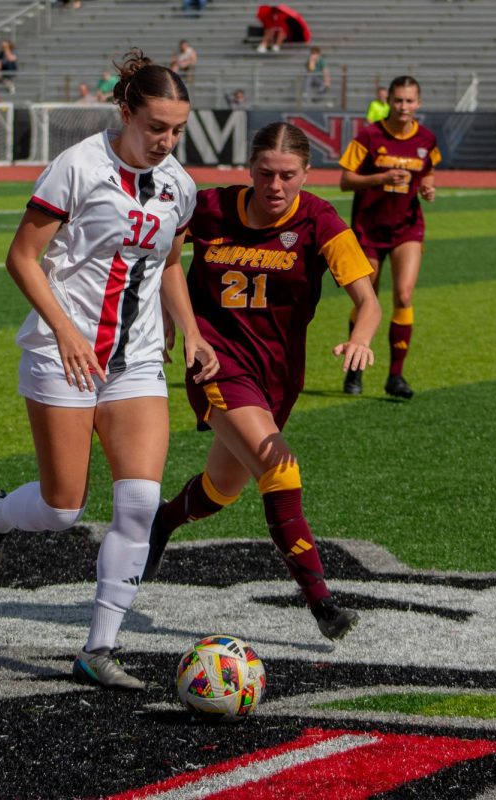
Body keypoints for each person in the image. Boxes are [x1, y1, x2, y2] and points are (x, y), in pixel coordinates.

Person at [0, 50, 217, 691]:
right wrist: (66, 331)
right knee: (63, 509)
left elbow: (165, 263)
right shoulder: (77, 166)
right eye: (155, 126)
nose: (165, 141)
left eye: (176, 130)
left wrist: (189, 331)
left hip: (135, 360)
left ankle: (99, 648)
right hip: (63, 354)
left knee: (137, 503)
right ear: (126, 111)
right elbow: (22, 258)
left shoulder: (178, 186)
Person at [141, 122, 381, 643]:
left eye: (288, 176)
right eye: (266, 174)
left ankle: (161, 522)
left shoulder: (320, 220)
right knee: (281, 474)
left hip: (278, 376)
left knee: (223, 490)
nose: (276, 186)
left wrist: (361, 338)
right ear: (249, 170)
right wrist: (179, 327)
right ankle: (323, 605)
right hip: (217, 364)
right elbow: (164, 262)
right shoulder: (207, 208)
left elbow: (368, 301)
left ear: (305, 174)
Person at [338, 75, 439, 399]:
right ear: (389, 101)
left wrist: (427, 186)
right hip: (368, 228)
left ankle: (396, 376)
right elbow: (345, 180)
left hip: (407, 227)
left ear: (418, 103)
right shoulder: (369, 135)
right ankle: (354, 370)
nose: (404, 106)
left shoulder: (426, 138)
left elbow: (429, 171)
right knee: (367, 299)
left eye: (410, 101)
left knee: (404, 296)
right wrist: (380, 177)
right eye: (398, 100)